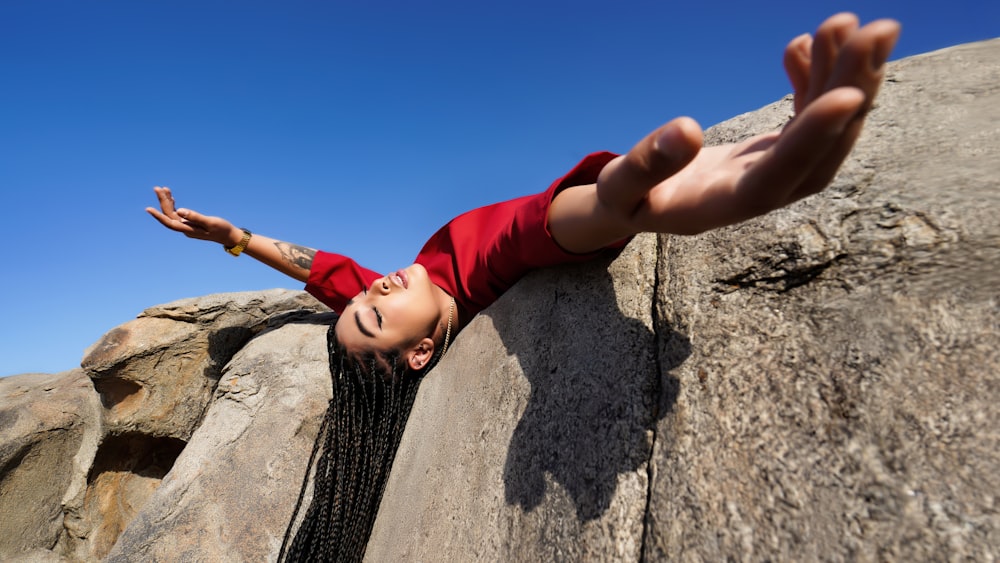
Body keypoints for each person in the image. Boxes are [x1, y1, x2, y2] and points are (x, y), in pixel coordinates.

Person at [147, 14, 900, 560]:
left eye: (364, 300)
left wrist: (235, 238)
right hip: (594, 207)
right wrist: (614, 203)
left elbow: (329, 273)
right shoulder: (472, 281)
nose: (372, 292)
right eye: (376, 317)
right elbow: (532, 234)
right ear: (418, 356)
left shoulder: (412, 287)